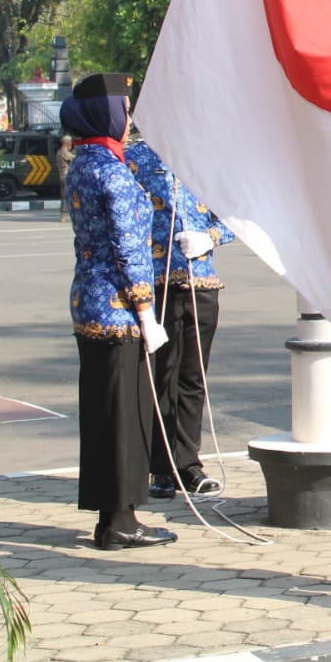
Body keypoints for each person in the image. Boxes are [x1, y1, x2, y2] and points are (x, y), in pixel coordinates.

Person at [61, 73, 174, 551]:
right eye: (123, 109)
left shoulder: (82, 163)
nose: (128, 119)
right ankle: (121, 521)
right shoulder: (113, 171)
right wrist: (147, 313)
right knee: (127, 414)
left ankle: (111, 516)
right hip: (120, 309)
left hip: (88, 301)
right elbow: (131, 250)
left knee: (102, 413)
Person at [125, 141, 234, 500]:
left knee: (193, 378)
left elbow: (237, 215)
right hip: (158, 284)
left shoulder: (208, 156)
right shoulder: (137, 158)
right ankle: (161, 467)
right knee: (162, 377)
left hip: (201, 281)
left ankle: (188, 465)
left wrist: (210, 238)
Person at [55, 134, 76, 223]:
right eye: (71, 143)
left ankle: (63, 215)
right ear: (67, 143)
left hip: (61, 175)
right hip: (66, 176)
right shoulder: (64, 152)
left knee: (64, 196)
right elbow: (75, 158)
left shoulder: (59, 152)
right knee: (69, 196)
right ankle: (65, 216)